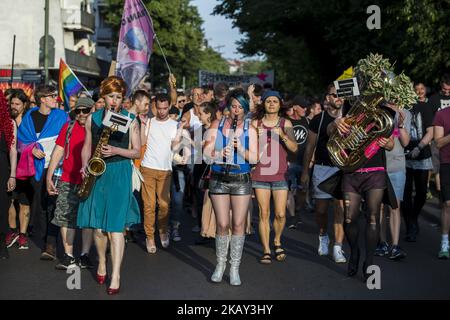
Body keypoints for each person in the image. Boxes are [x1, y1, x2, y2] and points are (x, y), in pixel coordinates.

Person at [77, 76, 141, 295]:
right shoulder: (92, 118)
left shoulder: (131, 119)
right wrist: (85, 165)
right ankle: (102, 262)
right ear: (102, 97)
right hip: (98, 173)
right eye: (111, 96)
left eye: (119, 97)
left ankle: (116, 275)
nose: (115, 101)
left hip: (120, 173)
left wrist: (116, 150)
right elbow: (87, 146)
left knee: (115, 228)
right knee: (97, 227)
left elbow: (136, 151)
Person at [331, 102, 395, 279]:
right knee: (349, 218)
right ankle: (355, 252)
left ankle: (370, 261)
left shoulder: (386, 109)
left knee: (373, 217)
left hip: (375, 172)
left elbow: (391, 143)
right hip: (351, 171)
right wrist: (336, 123)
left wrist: (388, 143)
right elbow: (331, 131)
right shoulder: (350, 105)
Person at [203, 89, 258, 285]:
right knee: (222, 224)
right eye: (233, 106)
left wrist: (239, 148)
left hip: (241, 178)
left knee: (238, 225)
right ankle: (220, 264)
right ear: (228, 106)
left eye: (240, 107)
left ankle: (234, 268)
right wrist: (219, 154)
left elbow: (255, 158)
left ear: (245, 109)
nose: (236, 110)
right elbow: (205, 155)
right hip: (218, 177)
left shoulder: (250, 129)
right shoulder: (217, 125)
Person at [17, 85, 68, 260]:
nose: (55, 98)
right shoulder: (30, 116)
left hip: (57, 167)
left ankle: (50, 245)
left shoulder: (62, 116)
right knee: (41, 206)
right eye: (52, 96)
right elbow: (21, 142)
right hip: (37, 168)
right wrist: (31, 149)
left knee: (53, 204)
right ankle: (46, 237)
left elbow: (68, 139)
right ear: (42, 99)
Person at [47, 97, 95, 270]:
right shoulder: (68, 127)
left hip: (91, 180)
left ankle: (84, 255)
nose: (81, 114)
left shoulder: (98, 128)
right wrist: (49, 176)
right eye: (78, 111)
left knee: (88, 219)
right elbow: (58, 151)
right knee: (65, 218)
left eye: (85, 110)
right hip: (68, 179)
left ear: (92, 110)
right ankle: (68, 255)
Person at [301, 85, 346, 263]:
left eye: (340, 95)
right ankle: (323, 236)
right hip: (321, 167)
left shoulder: (351, 117)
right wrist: (305, 172)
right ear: (327, 97)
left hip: (342, 168)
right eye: (334, 95)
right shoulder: (318, 119)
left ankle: (338, 247)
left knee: (339, 208)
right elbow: (309, 147)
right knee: (320, 210)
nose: (337, 98)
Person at [251, 90, 298, 264]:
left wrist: (283, 136)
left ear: (280, 104)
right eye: (268, 101)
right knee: (264, 213)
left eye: (275, 101)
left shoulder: (286, 123)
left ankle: (277, 240)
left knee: (279, 214)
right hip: (260, 173)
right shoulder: (255, 124)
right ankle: (266, 249)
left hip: (280, 174)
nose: (271, 104)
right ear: (263, 103)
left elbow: (294, 149)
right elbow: (249, 147)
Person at [140, 94, 186, 253]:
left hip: (165, 170)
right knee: (149, 205)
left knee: (164, 205)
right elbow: (141, 143)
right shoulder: (149, 122)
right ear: (155, 107)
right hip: (147, 168)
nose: (162, 111)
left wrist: (180, 129)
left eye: (165, 108)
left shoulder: (174, 124)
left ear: (169, 107)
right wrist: (142, 125)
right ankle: (150, 236)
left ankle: (163, 230)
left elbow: (174, 148)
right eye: (159, 108)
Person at [376, 103, 410, 260]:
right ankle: (382, 243)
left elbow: (406, 142)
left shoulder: (405, 113)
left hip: (397, 166)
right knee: (380, 208)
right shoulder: (377, 110)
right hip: (378, 166)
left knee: (395, 207)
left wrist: (401, 125)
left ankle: (395, 246)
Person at [402, 84, 434, 242]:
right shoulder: (404, 107)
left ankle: (413, 217)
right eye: (416, 89)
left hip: (422, 155)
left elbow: (431, 132)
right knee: (405, 193)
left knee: (421, 193)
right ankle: (409, 226)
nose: (419, 91)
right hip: (405, 156)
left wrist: (419, 148)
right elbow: (396, 129)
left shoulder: (426, 107)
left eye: (422, 88)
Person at [6, 90, 32, 250]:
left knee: (24, 202)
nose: (14, 106)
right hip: (10, 167)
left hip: (27, 168)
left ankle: (23, 234)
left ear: (24, 105)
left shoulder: (28, 121)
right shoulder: (6, 120)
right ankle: (13, 231)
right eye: (12, 103)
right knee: (10, 200)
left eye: (17, 104)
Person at [285, 99, 309, 229]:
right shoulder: (287, 122)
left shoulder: (308, 121)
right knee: (288, 190)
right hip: (289, 161)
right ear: (295, 107)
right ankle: (293, 216)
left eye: (306, 107)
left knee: (302, 190)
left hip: (304, 162)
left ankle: (298, 211)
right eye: (303, 106)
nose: (305, 109)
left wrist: (311, 160)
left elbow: (312, 142)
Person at [0, 91, 18, 259]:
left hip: (2, 170)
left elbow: (13, 150)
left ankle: (1, 244)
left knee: (2, 207)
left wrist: (12, 174)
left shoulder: (9, 123)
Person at [433, 105, 450, 259]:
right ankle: (445, 242)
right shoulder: (442, 114)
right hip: (447, 164)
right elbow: (438, 143)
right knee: (447, 204)